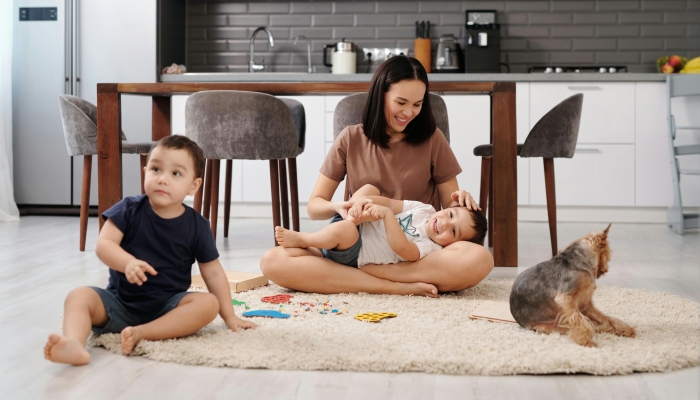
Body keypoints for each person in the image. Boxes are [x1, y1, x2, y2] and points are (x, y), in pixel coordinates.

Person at [261, 56, 494, 297]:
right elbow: (314, 207)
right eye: (401, 102)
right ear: (380, 95)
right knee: (273, 260)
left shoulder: (433, 140)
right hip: (357, 245)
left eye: (417, 104)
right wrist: (337, 206)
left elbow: (451, 217)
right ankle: (390, 286)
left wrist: (461, 200)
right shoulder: (350, 138)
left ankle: (371, 277)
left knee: (481, 258)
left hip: (411, 256)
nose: (408, 112)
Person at [44, 135, 257, 366]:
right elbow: (104, 245)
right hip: (118, 303)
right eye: (156, 169)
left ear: (193, 186)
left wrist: (229, 316)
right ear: (145, 171)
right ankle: (73, 344)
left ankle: (143, 332)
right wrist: (126, 263)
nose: (162, 179)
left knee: (208, 304)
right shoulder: (129, 209)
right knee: (79, 296)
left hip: (168, 309)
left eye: (175, 173)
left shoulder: (198, 226)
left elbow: (213, 273)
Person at [275, 184, 488, 269]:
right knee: (369, 188)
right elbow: (391, 203)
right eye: (450, 214)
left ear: (453, 245)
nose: (444, 223)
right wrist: (364, 202)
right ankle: (321, 244)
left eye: (453, 231)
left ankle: (304, 239)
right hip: (353, 223)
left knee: (346, 231)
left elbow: (402, 249)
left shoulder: (430, 248)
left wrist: (386, 216)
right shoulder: (426, 209)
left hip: (353, 252)